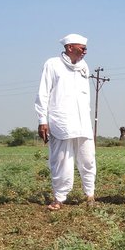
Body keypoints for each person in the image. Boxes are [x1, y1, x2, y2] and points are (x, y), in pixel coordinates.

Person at [35, 34, 96, 211]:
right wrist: (42, 120)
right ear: (70, 47)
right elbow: (43, 93)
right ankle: (59, 198)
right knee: (62, 161)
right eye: (82, 48)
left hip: (83, 121)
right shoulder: (52, 64)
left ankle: (90, 194)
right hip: (61, 121)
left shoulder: (84, 66)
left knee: (88, 159)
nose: (85, 51)